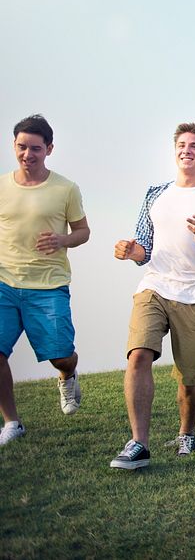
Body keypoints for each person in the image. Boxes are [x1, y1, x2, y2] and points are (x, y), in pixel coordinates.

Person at [110, 123, 195, 470]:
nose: (187, 150)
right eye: (182, 145)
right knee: (138, 354)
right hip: (155, 284)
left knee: (190, 377)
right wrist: (130, 250)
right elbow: (145, 248)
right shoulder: (156, 193)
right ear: (175, 152)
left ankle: (187, 431)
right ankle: (138, 443)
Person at [0, 115, 90, 446]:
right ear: (14, 146)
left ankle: (67, 375)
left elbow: (83, 231)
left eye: (35, 148)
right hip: (4, 284)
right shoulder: (2, 185)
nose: (28, 154)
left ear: (49, 149)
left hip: (48, 286)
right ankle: (12, 422)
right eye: (22, 147)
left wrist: (62, 240)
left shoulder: (65, 189)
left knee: (61, 354)